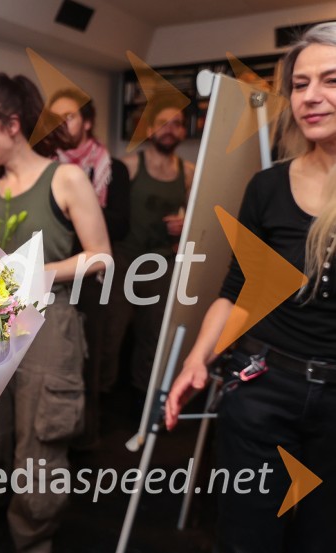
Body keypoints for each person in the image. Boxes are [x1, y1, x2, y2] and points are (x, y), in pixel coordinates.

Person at [166, 23, 336, 553]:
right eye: (301, 83)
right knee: (247, 539)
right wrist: (197, 361)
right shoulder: (267, 186)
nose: (312, 97)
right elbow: (237, 288)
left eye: (330, 80)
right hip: (264, 389)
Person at [0, 73, 110, 553]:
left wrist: (40, 272)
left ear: (13, 124)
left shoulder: (65, 178)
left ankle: (32, 535)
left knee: (40, 447)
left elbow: (102, 257)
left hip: (51, 325)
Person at [49, 88, 130, 449]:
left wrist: (81, 209)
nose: (61, 125)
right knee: (54, 358)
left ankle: (87, 436)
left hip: (93, 276)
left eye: (68, 116)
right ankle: (56, 434)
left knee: (91, 356)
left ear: (87, 121)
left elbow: (121, 223)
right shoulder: (46, 170)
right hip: (53, 274)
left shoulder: (113, 169)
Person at [103, 98, 195, 399]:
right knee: (111, 333)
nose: (170, 130)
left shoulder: (189, 172)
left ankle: (142, 401)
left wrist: (186, 224)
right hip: (123, 260)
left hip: (161, 264)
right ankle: (102, 400)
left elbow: (201, 217)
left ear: (183, 132)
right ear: (150, 129)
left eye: (177, 124)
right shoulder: (128, 166)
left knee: (154, 336)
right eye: (163, 123)